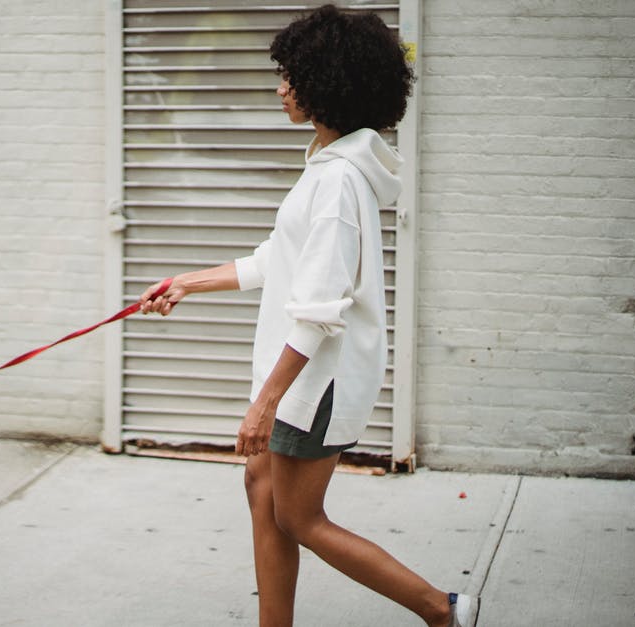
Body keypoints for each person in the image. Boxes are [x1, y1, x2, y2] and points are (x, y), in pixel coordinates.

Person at [138, 4, 479, 627]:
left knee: (299, 516)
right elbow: (280, 261)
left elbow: (319, 310)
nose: (280, 88)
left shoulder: (339, 183)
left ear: (326, 83)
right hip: (302, 374)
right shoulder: (327, 166)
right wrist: (186, 283)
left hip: (312, 382)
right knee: (261, 490)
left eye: (291, 77)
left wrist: (264, 403)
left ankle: (444, 610)